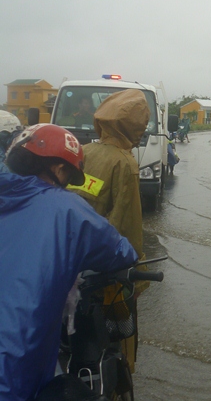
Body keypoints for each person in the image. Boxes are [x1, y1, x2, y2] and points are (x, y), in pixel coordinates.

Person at [0, 123, 138, 401]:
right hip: (13, 370)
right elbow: (121, 250)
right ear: (59, 169)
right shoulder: (65, 207)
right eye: (67, 176)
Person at [68, 88, 150, 374]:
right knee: (119, 346)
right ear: (133, 127)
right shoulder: (125, 163)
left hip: (71, 266)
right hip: (105, 275)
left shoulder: (83, 152)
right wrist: (135, 284)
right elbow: (127, 226)